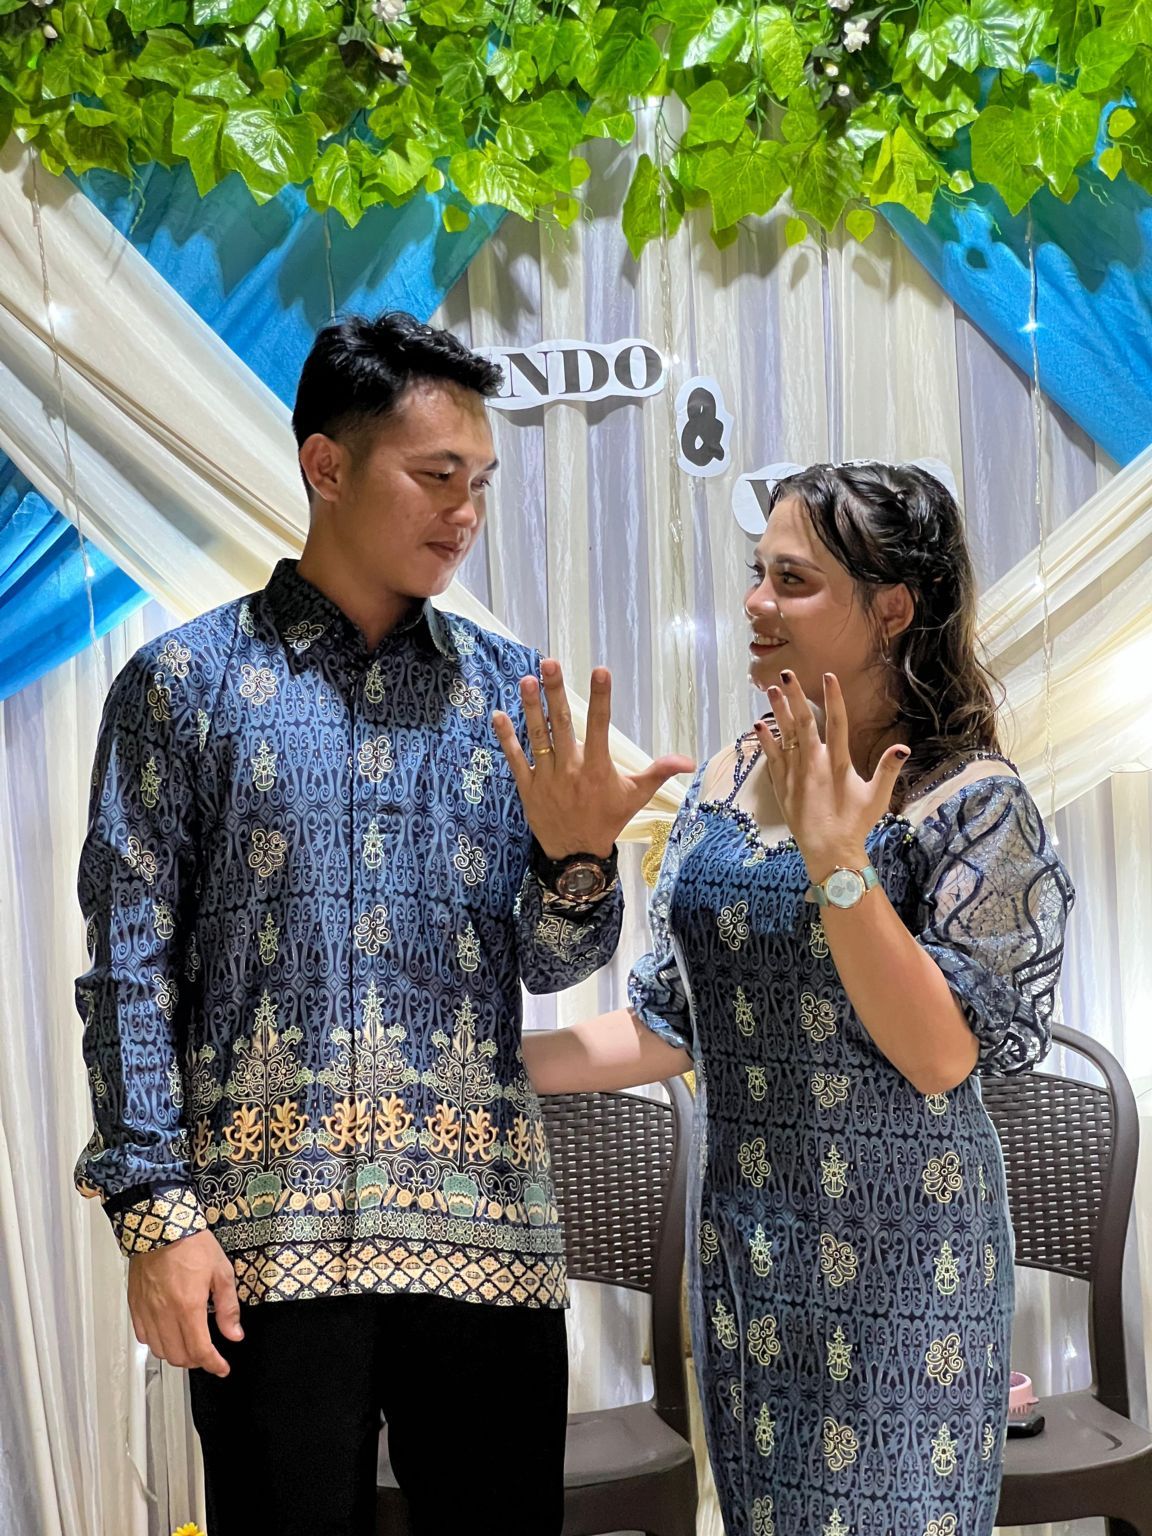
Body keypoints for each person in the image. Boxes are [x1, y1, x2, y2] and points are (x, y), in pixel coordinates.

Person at [73, 311, 689, 1536]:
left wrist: (579, 861)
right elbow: (128, 973)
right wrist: (156, 1216)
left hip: (482, 1229)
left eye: (481, 482)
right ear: (327, 465)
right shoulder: (183, 687)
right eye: (436, 475)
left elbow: (553, 961)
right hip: (263, 1238)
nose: (464, 512)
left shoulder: (509, 696)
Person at [510, 462, 1075, 1536]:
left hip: (909, 1280)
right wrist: (481, 1066)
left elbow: (942, 1056)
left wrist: (839, 864)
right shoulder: (729, 775)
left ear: (892, 609)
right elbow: (671, 1023)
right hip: (750, 1263)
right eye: (757, 572)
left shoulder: (971, 800)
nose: (755, 602)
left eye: (794, 581)